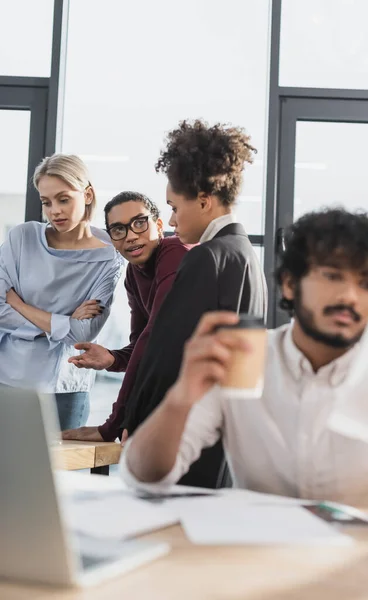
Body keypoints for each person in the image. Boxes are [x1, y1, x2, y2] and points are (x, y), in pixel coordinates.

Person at [120, 208, 368, 510]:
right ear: (290, 284)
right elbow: (144, 478)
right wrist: (180, 398)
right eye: (332, 276)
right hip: (257, 551)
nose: (350, 297)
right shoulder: (243, 359)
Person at [122, 119, 268, 488]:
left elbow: (167, 353)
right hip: (221, 434)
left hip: (184, 438)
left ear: (204, 200)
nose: (170, 221)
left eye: (173, 207)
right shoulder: (246, 255)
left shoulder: (208, 257)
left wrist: (135, 424)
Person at [0, 154, 122, 430]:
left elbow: (82, 334)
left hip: (65, 390)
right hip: (7, 379)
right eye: (46, 202)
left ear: (87, 194)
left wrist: (20, 305)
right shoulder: (22, 238)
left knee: (57, 473)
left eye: (63, 199)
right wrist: (64, 322)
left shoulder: (109, 257)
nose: (54, 210)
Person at [61, 191, 190, 442]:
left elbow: (153, 339)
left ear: (160, 225)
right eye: (118, 230)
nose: (131, 236)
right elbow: (140, 345)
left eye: (139, 223)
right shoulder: (133, 274)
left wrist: (112, 424)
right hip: (167, 395)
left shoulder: (174, 253)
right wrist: (111, 358)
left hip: (195, 397)